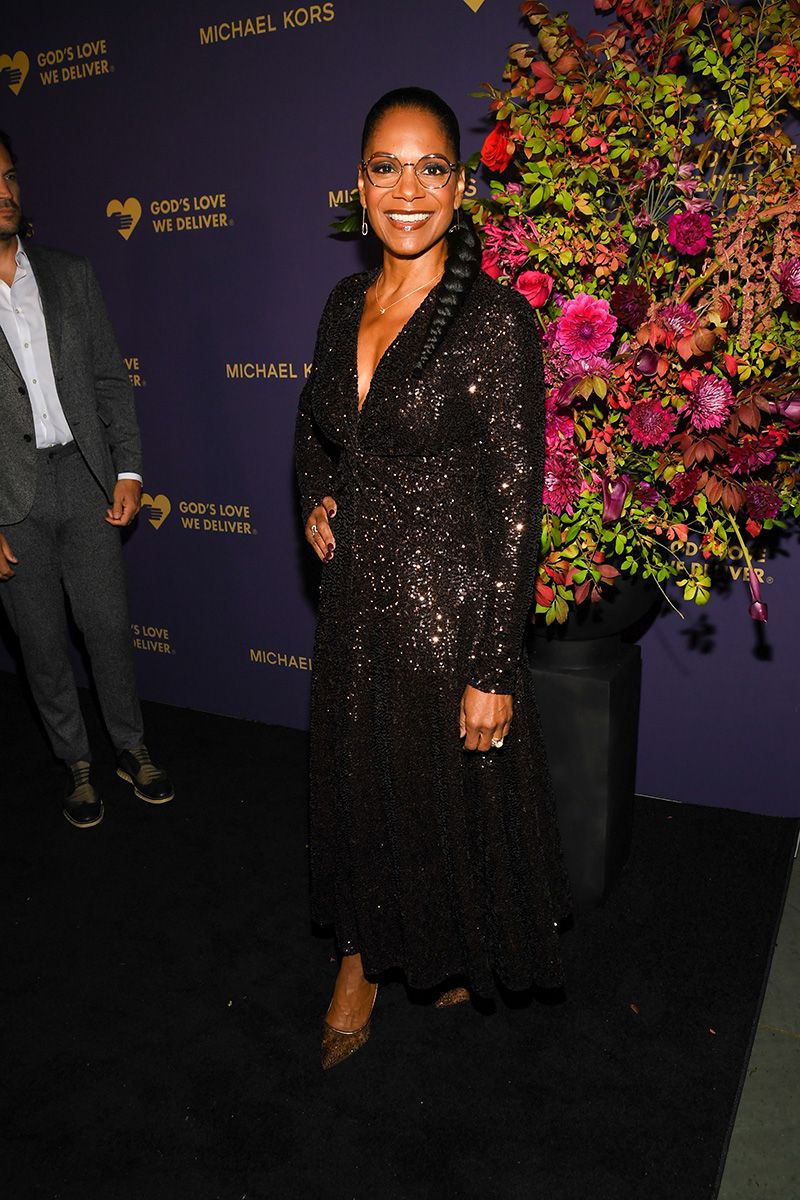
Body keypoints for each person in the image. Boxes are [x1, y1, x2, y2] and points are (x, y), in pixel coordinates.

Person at [295, 88, 571, 1070]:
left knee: (444, 799)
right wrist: (318, 497)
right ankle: (361, 956)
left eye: (430, 168)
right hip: (355, 605)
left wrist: (494, 666)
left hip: (450, 612)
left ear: (460, 187)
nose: (406, 190)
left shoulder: (493, 320)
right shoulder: (342, 306)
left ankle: (444, 944)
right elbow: (317, 427)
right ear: (358, 182)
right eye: (386, 167)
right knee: (361, 785)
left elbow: (515, 506)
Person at [0, 130, 174, 827]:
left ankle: (131, 746)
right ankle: (75, 761)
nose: (5, 192)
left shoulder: (69, 273)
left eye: (10, 176)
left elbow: (109, 379)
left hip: (83, 477)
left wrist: (127, 467)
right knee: (41, 644)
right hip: (8, 503)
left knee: (107, 627)